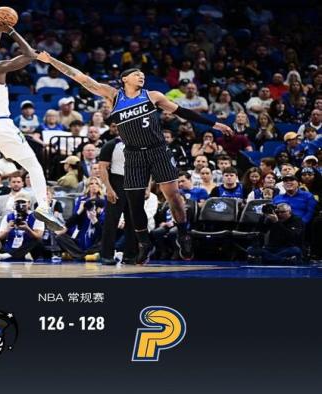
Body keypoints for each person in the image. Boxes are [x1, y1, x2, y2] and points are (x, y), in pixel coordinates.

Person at [37, 51, 233, 262]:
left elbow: (182, 112)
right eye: (136, 74)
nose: (141, 76)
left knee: (173, 196)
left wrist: (214, 124)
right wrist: (51, 60)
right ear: (124, 79)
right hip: (133, 154)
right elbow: (80, 77)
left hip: (158, 150)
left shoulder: (152, 96)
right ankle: (144, 243)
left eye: (143, 75)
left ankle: (184, 234)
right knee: (135, 203)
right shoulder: (114, 96)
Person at [0, 24, 64, 253]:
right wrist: (11, 32)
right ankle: (43, 207)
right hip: (0, 123)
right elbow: (29, 55)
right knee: (33, 166)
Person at [98, 138, 137, 265]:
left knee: (133, 221)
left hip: (135, 182)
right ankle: (106, 255)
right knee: (111, 221)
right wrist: (109, 189)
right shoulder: (111, 145)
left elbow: (146, 167)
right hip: (117, 182)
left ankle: (130, 255)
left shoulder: (140, 143)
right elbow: (102, 167)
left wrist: (146, 188)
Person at [0, 192, 44, 261]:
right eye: (18, 202)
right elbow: (0, 237)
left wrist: (27, 229)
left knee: (38, 242)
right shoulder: (8, 217)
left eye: (23, 202)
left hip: (26, 247)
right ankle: (18, 256)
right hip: (10, 246)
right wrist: (7, 230)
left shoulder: (36, 217)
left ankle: (6, 256)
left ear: (28, 203)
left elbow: (38, 236)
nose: (20, 205)